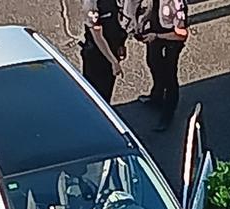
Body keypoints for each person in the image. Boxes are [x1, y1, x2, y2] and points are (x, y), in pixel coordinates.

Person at [135, 0, 189, 132]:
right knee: (153, 63)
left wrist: (157, 36)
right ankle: (156, 97)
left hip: (170, 41)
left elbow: (182, 35)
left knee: (169, 75)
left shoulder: (177, 5)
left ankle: (168, 113)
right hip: (155, 36)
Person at [81, 0, 129, 103]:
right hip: (96, 57)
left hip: (112, 54)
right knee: (94, 97)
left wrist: (121, 45)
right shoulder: (92, 4)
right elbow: (97, 36)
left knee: (106, 95)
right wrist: (113, 61)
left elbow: (119, 24)